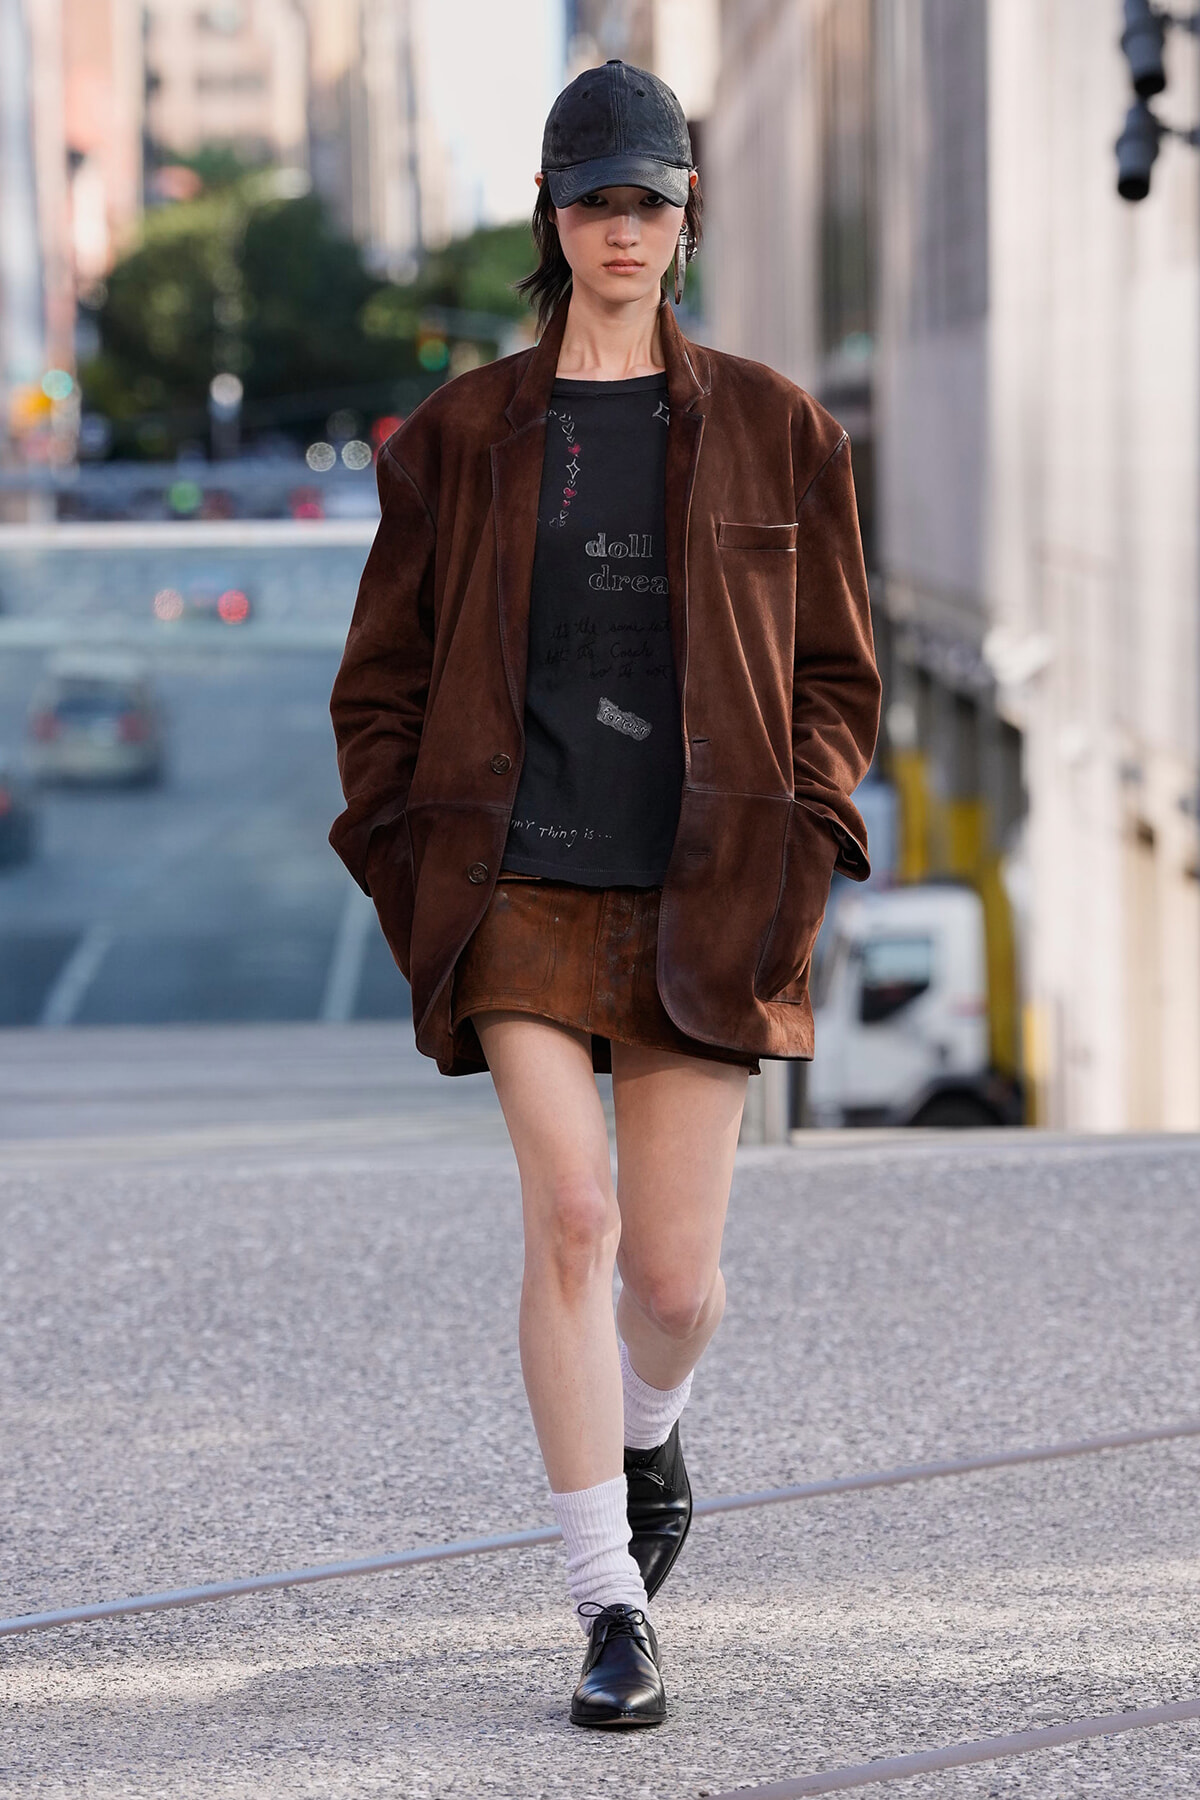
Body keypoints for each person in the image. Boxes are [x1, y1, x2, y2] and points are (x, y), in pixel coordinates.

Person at [329, 59, 881, 1729]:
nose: (619, 228)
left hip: (708, 882)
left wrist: (807, 838)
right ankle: (608, 1602)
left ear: (685, 216)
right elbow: (383, 684)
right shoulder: (467, 440)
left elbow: (837, 679)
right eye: (591, 200)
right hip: (520, 881)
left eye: (645, 199)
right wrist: (408, 851)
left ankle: (652, 1440)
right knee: (573, 1217)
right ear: (553, 223)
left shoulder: (784, 426)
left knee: (673, 1280)